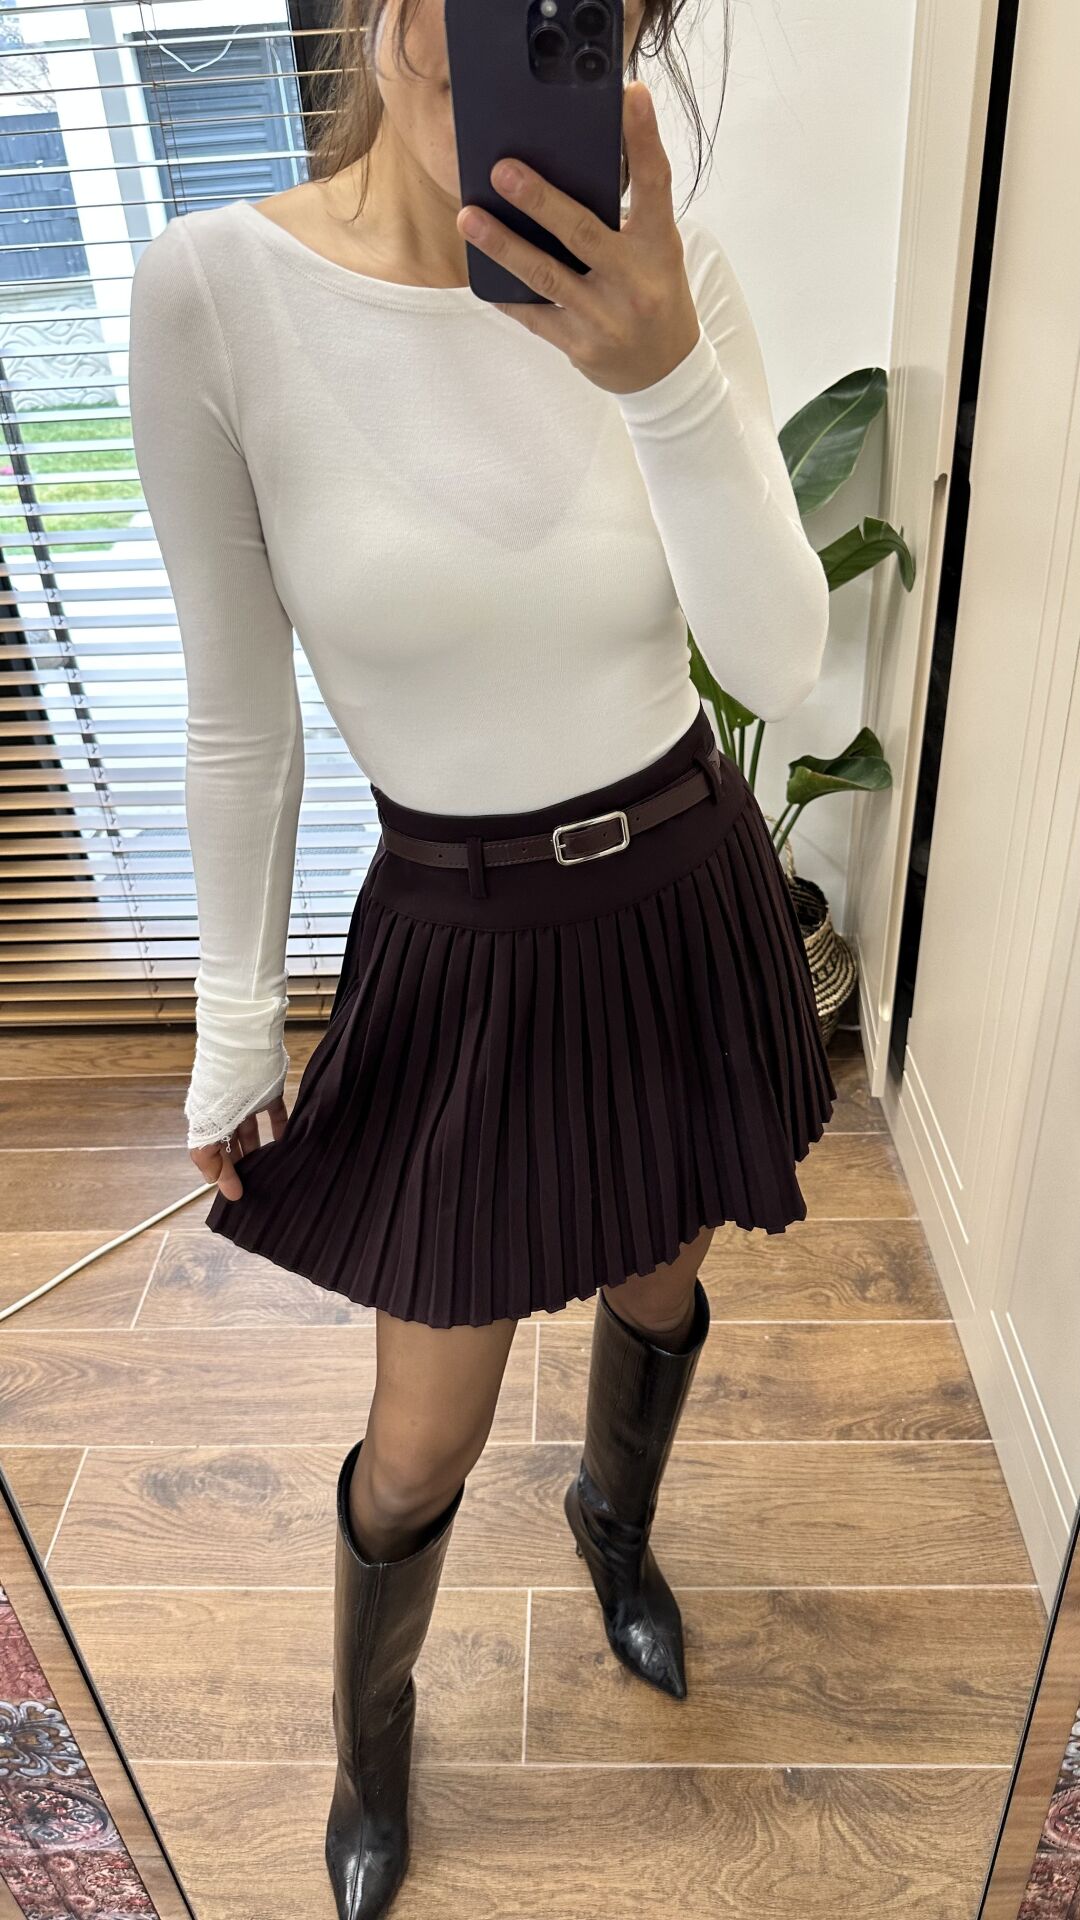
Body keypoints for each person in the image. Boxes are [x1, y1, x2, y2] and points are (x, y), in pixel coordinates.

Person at [128, 0, 836, 1910]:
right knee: (420, 1438)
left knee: (661, 1282)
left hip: (679, 899)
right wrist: (231, 1034)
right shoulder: (217, 295)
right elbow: (237, 717)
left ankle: (615, 1520)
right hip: (460, 939)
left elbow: (780, 665)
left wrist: (664, 378)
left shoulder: (662, 274)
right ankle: (373, 1745)